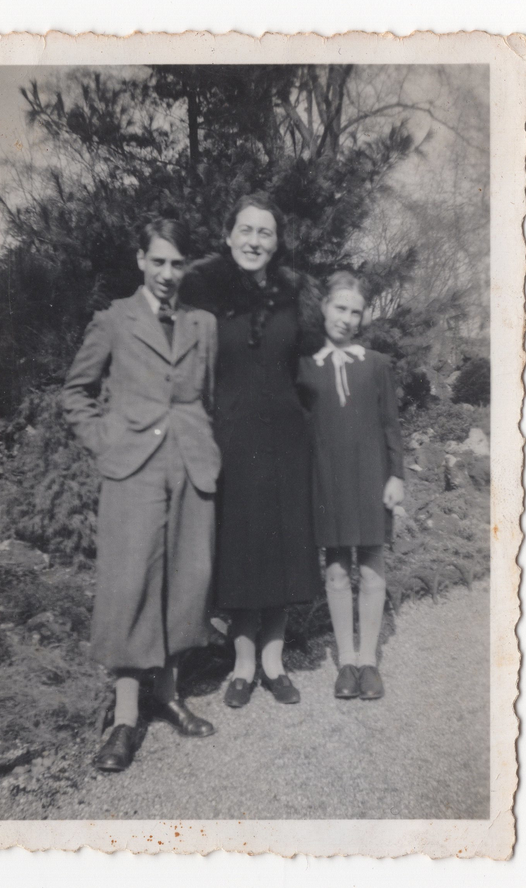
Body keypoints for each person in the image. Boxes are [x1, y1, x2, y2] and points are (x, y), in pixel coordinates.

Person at [62, 219, 221, 771]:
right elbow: (75, 393)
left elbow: (211, 398)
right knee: (130, 588)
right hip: (132, 470)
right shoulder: (113, 320)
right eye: (158, 262)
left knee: (184, 584)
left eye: (178, 264)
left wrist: (204, 448)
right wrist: (106, 443)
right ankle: (125, 720)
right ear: (140, 260)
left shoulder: (203, 324)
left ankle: (169, 695)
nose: (168, 274)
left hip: (192, 470)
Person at [180, 193, 321, 708]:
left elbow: (312, 368)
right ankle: (242, 663)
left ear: (277, 242)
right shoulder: (204, 293)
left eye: (265, 233)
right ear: (228, 234)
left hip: (286, 439)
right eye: (246, 230)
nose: (254, 241)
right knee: (241, 549)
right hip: (233, 438)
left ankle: (273, 661)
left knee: (283, 547)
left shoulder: (296, 298)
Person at [297, 271, 405, 700]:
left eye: (355, 312)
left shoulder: (375, 364)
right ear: (324, 307)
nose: (345, 318)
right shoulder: (305, 366)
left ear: (362, 319)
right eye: (339, 307)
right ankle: (345, 661)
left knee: (371, 565)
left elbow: (391, 425)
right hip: (327, 476)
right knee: (338, 568)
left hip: (370, 474)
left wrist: (396, 475)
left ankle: (369, 661)